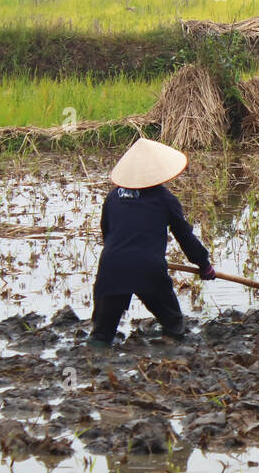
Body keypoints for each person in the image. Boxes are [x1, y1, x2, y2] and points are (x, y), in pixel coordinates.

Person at [88, 138, 215, 347]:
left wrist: (122, 257)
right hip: (149, 270)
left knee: (100, 337)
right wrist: (204, 264)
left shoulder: (112, 198)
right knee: (174, 328)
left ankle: (94, 372)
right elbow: (184, 236)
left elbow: (107, 234)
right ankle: (168, 361)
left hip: (111, 269)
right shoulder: (165, 199)